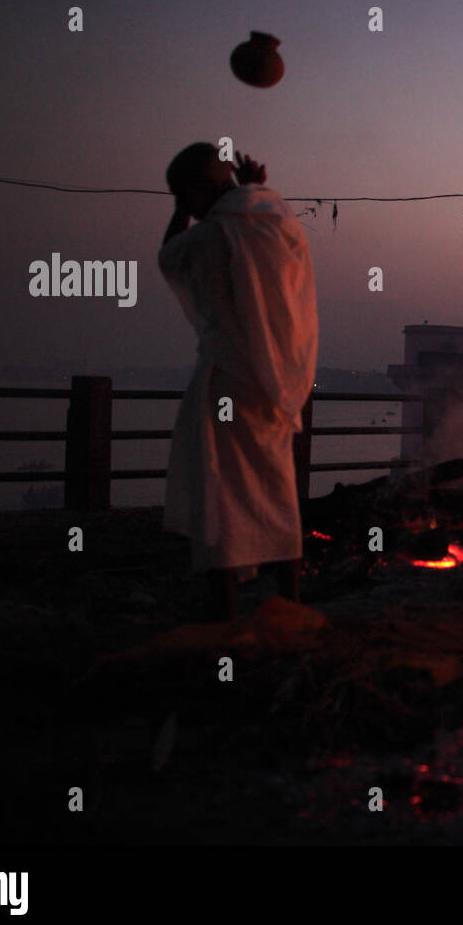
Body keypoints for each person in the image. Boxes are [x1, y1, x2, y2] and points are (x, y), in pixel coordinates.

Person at [158, 143, 318, 621]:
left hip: (227, 381)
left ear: (197, 192)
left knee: (221, 496)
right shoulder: (279, 224)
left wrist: (179, 212)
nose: (183, 204)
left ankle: (225, 609)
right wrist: (256, 190)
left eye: (183, 195)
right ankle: (290, 601)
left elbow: (169, 256)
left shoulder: (208, 238)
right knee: (279, 490)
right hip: (275, 385)